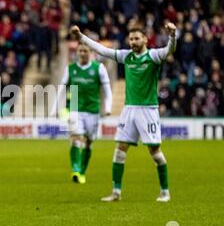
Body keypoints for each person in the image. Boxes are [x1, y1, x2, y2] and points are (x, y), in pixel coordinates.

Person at [70, 22, 177, 202]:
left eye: (137, 38)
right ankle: (116, 192)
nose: (133, 41)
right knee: (120, 149)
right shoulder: (126, 56)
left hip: (148, 110)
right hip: (129, 109)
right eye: (131, 38)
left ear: (145, 39)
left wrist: (173, 35)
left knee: (155, 152)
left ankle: (165, 192)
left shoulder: (154, 55)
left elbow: (169, 50)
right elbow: (102, 50)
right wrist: (81, 37)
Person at [54, 43, 112, 184]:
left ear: (91, 52)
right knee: (75, 138)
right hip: (75, 109)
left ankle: (82, 172)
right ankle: (75, 170)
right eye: (80, 51)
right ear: (77, 52)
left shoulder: (99, 68)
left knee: (88, 142)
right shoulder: (71, 68)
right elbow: (62, 88)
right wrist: (56, 107)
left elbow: (107, 90)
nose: (82, 53)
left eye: (85, 51)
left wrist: (108, 107)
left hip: (93, 110)